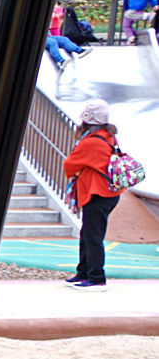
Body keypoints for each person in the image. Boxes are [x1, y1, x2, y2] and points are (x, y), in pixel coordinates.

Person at [62, 98, 123, 290]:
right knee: (88, 233)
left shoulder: (90, 142)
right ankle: (84, 272)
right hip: (109, 193)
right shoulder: (109, 136)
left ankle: (96, 278)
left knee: (92, 235)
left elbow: (69, 164)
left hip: (97, 193)